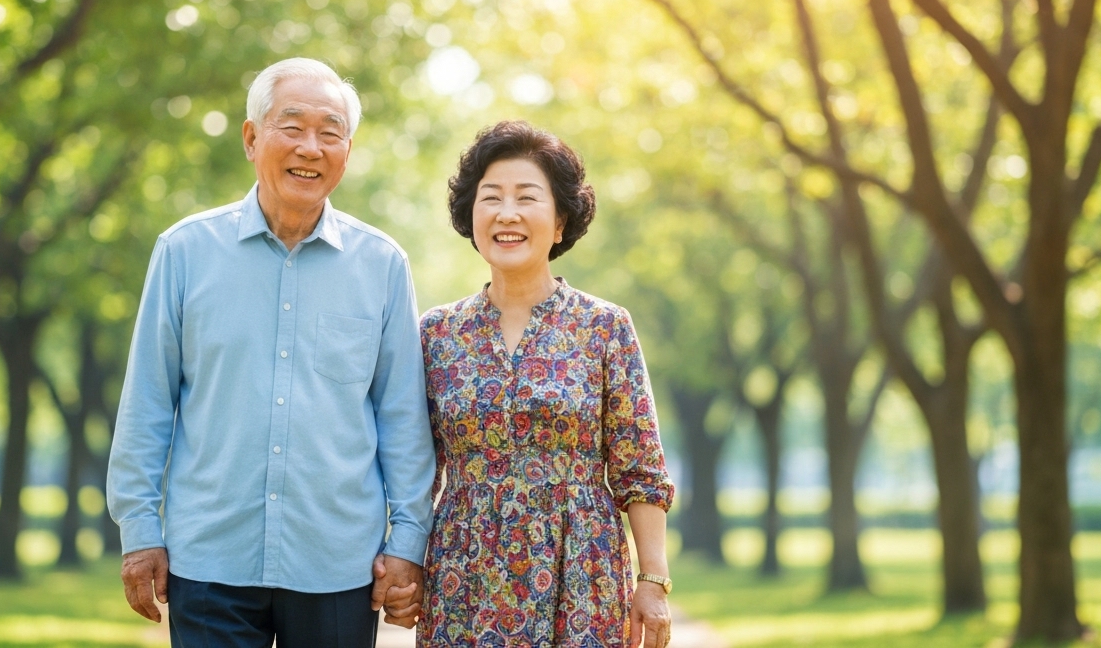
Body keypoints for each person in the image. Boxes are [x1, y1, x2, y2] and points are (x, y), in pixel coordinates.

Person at [106, 57, 435, 647]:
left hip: (338, 563)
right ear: (252, 138)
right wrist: (139, 529)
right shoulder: (184, 252)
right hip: (208, 558)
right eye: (292, 126)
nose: (311, 147)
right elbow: (148, 401)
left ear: (347, 151)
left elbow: (403, 419)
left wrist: (407, 543)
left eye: (330, 132)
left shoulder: (382, 265)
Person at [413, 121, 676, 647]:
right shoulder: (435, 335)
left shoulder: (604, 327)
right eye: (491, 198)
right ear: (471, 216)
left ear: (560, 222)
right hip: (464, 576)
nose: (506, 213)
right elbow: (413, 467)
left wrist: (653, 580)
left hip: (581, 573)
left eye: (526, 198)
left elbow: (639, 466)